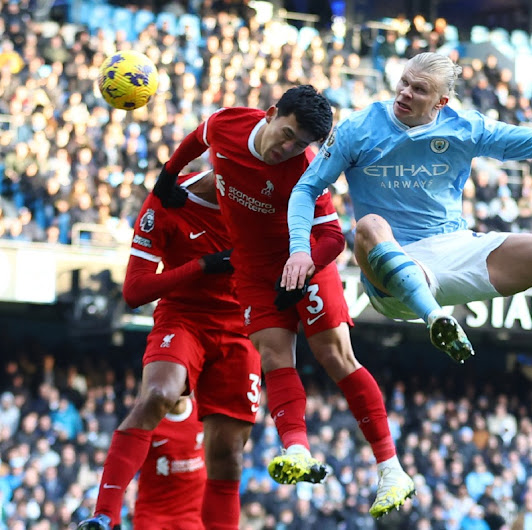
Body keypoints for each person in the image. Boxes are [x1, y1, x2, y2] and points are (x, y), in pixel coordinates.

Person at [283, 52, 532, 388]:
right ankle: (436, 318)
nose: (405, 93)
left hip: (453, 250)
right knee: (369, 224)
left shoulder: (465, 127)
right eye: (404, 83)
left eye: (419, 89)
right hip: (390, 270)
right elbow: (306, 188)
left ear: (440, 102)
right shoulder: (358, 127)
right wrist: (299, 250)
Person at [153, 85, 414, 517]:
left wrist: (304, 263)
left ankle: (390, 468)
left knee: (334, 355)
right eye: (288, 134)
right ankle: (296, 450)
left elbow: (333, 236)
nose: (288, 148)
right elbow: (197, 138)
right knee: (274, 356)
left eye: (301, 143)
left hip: (306, 258)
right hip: (254, 268)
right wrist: (169, 176)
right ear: (272, 113)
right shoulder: (227, 124)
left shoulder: (306, 169)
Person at [79, 170, 261, 530]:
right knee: (157, 394)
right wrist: (203, 266)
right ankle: (104, 516)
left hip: (239, 328)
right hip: (184, 317)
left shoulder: (268, 198)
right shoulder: (170, 200)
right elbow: (133, 292)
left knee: (228, 456)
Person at [134, 396, 206, 530]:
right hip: (153, 516)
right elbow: (124, 464)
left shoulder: (205, 412)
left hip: (193, 517)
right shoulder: (146, 419)